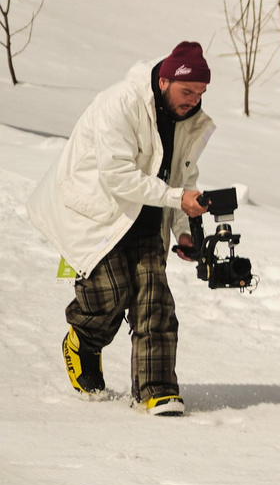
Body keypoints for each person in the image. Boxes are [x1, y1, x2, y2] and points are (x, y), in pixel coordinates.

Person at [27, 42, 217, 415]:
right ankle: (82, 341)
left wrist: (181, 230)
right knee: (111, 292)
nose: (194, 100)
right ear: (164, 81)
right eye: (187, 91)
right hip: (96, 212)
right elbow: (116, 176)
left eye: (200, 93)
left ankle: (156, 389)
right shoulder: (120, 103)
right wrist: (178, 199)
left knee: (154, 299)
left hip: (147, 216)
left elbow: (183, 176)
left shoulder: (189, 121)